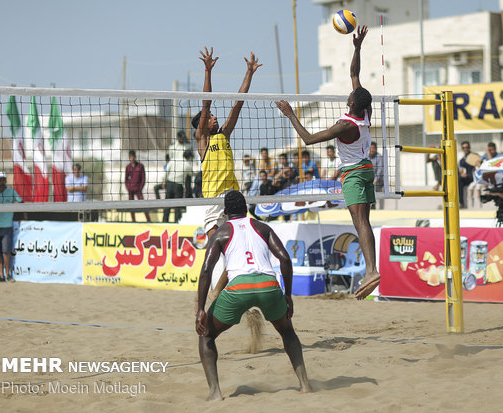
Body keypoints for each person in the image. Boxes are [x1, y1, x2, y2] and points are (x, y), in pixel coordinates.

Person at [275, 25, 380, 300]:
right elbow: (354, 73)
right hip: (365, 169)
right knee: (362, 222)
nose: (349, 94)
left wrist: (290, 115)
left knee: (360, 222)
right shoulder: (365, 112)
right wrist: (357, 47)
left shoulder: (345, 125)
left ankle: (371, 271)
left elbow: (309, 139)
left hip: (355, 173)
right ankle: (371, 269)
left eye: (350, 96)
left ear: (352, 104)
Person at [195, 190, 311, 401]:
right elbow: (285, 259)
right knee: (287, 332)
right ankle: (304, 384)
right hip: (269, 285)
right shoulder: (262, 227)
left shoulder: (221, 232)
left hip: (239, 288)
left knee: (207, 336)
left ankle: (215, 392)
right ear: (247, 208)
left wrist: (200, 309)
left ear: (226, 212)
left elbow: (206, 271)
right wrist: (288, 295)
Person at [193, 46, 261, 238]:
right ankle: (218, 265)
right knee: (214, 239)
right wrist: (208, 70)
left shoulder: (224, 134)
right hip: (213, 195)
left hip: (231, 193)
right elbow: (206, 103)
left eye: (214, 116)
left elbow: (238, 103)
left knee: (238, 237)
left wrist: (249, 73)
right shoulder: (203, 140)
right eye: (210, 117)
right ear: (202, 124)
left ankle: (232, 267)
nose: (214, 118)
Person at [0, 172, 24, 282]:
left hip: (7, 226)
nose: (1, 182)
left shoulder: (12, 192)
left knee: (6, 252)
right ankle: (1, 275)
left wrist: (13, 206)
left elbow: (21, 202)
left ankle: (8, 274)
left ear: (5, 181)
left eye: (3, 179)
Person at [163, 130, 193, 223]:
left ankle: (181, 215)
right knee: (169, 201)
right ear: (177, 138)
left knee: (185, 194)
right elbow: (170, 160)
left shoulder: (188, 146)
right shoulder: (172, 147)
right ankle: (166, 220)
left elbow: (190, 159)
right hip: (174, 171)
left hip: (184, 171)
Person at [125, 150, 151, 223]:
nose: (132, 158)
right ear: (129, 157)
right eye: (130, 157)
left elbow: (143, 178)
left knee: (143, 204)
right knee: (131, 206)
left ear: (135, 157)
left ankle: (148, 220)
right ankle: (133, 220)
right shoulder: (128, 167)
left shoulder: (140, 166)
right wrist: (128, 187)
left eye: (133, 156)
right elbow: (126, 179)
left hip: (138, 189)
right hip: (131, 190)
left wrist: (140, 187)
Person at [458, 141, 476, 208]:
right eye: (463, 148)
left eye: (467, 147)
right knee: (459, 180)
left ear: (469, 148)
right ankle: (461, 203)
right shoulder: (462, 160)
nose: (465, 149)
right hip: (468, 177)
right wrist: (462, 174)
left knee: (460, 180)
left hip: (474, 177)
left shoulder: (474, 156)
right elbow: (461, 170)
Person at [368, 142, 384, 209]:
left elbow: (380, 169)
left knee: (381, 195)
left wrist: (376, 179)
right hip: (369, 179)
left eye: (373, 148)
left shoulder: (379, 157)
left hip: (378, 180)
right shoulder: (366, 156)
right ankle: (372, 206)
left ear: (376, 149)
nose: (372, 149)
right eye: (370, 148)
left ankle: (381, 209)